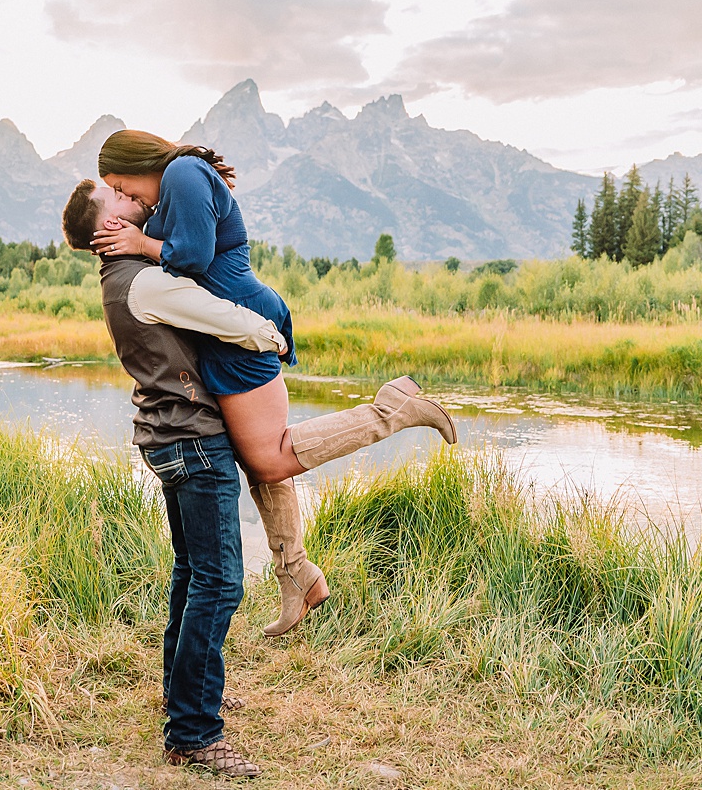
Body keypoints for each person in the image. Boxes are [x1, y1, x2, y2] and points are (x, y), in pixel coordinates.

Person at [69, 157, 457, 638]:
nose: (128, 196)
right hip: (222, 343)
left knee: (270, 458)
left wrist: (145, 244)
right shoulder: (152, 219)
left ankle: (390, 411)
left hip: (241, 334)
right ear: (109, 221)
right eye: (118, 195)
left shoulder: (178, 181)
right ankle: (295, 573)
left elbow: (191, 260)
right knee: (259, 456)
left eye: (123, 186)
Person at [62, 179, 280, 777]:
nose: (136, 205)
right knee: (219, 584)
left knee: (193, 577)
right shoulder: (147, 282)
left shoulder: (119, 281)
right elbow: (226, 319)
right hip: (195, 444)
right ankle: (193, 731)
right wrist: (272, 335)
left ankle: (186, 697)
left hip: (169, 441)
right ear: (106, 229)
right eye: (121, 203)